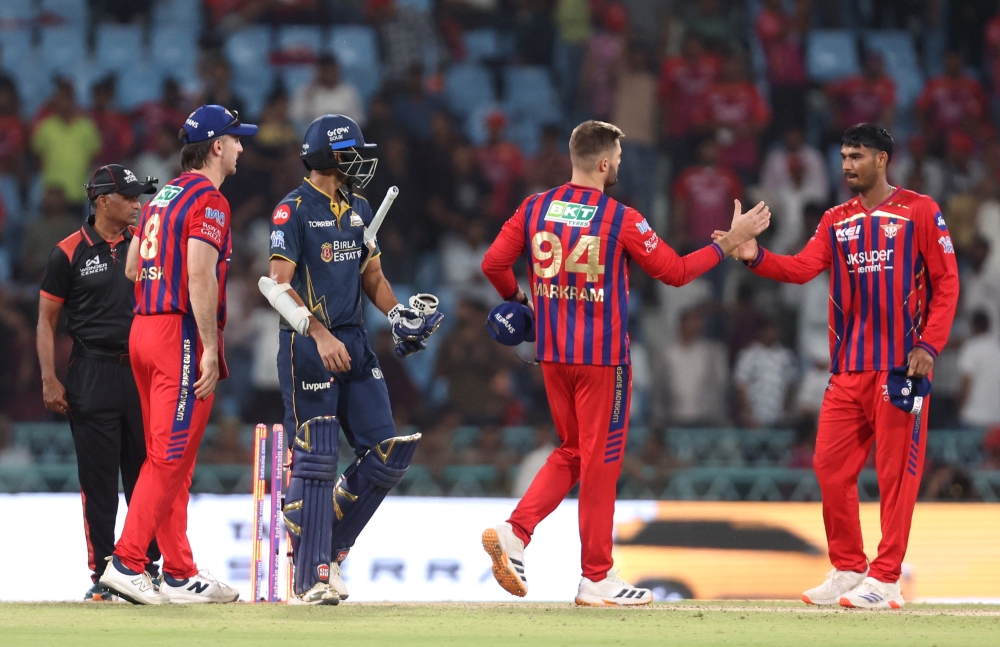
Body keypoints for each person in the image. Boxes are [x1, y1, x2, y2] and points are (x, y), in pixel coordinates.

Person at [479, 120, 770, 605]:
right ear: (604, 162)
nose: (620, 165)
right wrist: (727, 242)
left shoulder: (535, 207)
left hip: (553, 356)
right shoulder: (620, 218)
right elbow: (676, 274)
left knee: (572, 452)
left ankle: (515, 534)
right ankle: (597, 578)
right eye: (617, 157)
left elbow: (493, 263)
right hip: (603, 362)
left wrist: (521, 304)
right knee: (599, 466)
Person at [719, 124, 960, 609]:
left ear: (883, 159)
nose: (847, 165)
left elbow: (947, 284)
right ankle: (850, 568)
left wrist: (929, 347)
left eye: (857, 156)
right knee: (829, 468)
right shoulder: (835, 219)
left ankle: (887, 579)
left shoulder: (920, 210)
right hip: (848, 371)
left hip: (900, 370)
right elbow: (802, 268)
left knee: (896, 477)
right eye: (844, 156)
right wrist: (754, 256)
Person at [265, 114, 444, 604]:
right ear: (329, 156)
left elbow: (374, 278)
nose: (361, 161)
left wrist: (399, 313)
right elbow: (278, 287)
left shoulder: (361, 206)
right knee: (318, 456)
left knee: (388, 452)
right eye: (352, 152)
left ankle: (328, 544)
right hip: (307, 343)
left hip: (356, 340)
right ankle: (312, 576)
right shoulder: (293, 210)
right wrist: (320, 336)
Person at [99, 105, 258, 605]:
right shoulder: (210, 200)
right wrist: (210, 347)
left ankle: (179, 572)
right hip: (178, 337)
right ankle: (127, 561)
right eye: (235, 140)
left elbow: (131, 268)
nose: (240, 148)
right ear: (216, 146)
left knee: (173, 457)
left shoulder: (162, 196)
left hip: (143, 329)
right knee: (169, 457)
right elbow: (199, 275)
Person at [36, 164, 161, 601]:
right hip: (90, 372)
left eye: (139, 196)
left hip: (143, 370)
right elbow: (46, 320)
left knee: (147, 472)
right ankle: (105, 574)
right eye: (129, 197)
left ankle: (147, 567)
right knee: (99, 479)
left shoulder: (146, 246)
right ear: (102, 200)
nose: (137, 203)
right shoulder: (67, 252)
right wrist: (49, 377)